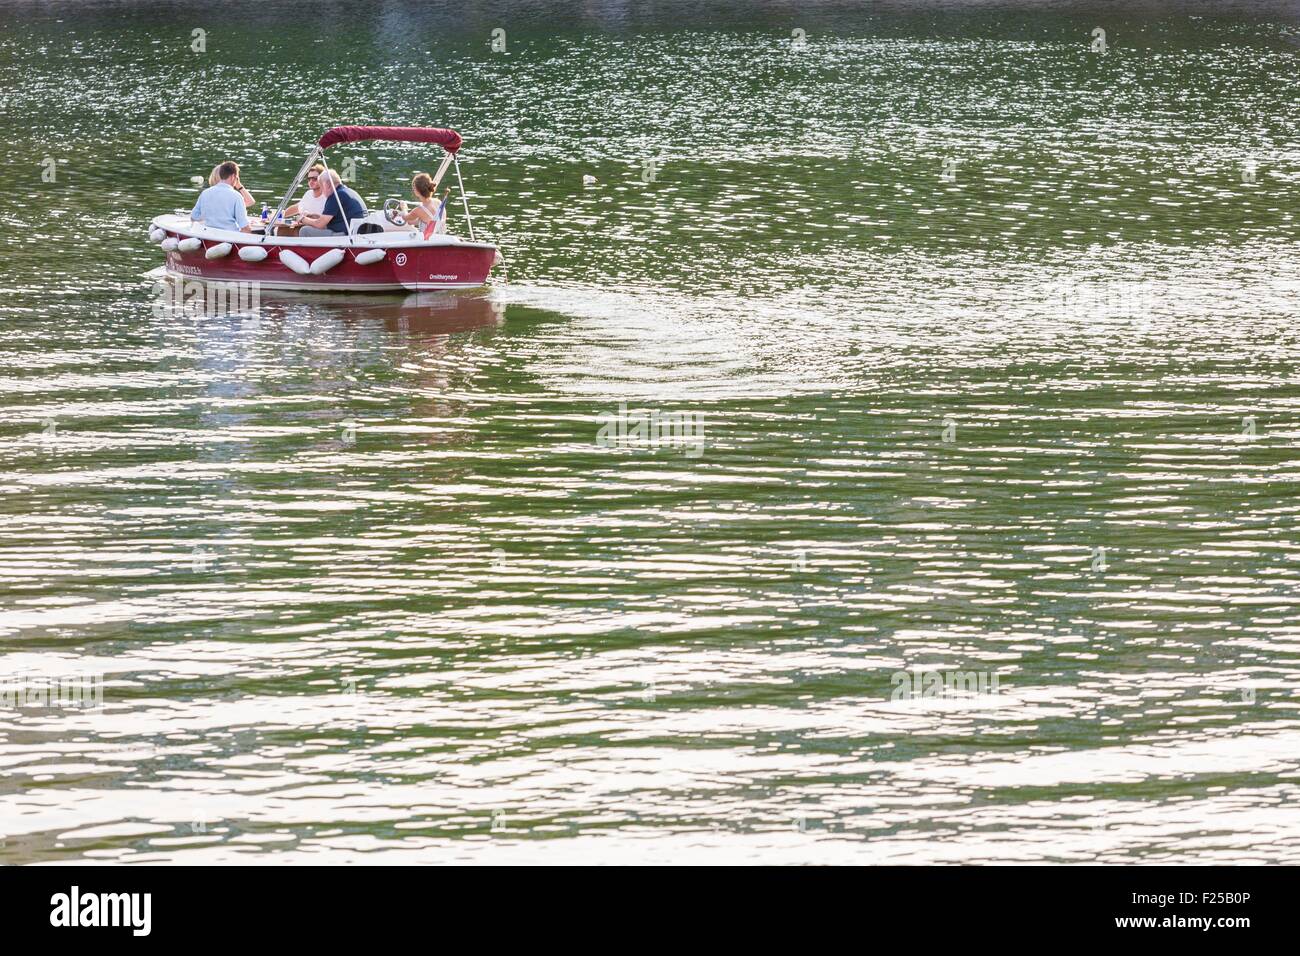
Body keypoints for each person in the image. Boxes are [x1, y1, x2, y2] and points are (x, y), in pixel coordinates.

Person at [298, 169, 367, 236]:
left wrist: (303, 219)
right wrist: (315, 217)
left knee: (304, 230)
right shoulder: (347, 191)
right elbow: (330, 220)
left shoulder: (336, 196)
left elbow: (320, 224)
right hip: (359, 232)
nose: (322, 190)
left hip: (347, 235)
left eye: (321, 186)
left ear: (328, 184)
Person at [191, 161, 253, 233]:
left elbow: (194, 217)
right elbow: (245, 227)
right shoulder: (236, 196)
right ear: (233, 177)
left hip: (208, 234)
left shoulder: (205, 193)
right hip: (229, 236)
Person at [399, 173, 450, 238]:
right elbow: (430, 221)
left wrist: (404, 208)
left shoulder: (419, 210)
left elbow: (405, 217)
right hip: (442, 238)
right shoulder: (438, 202)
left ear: (416, 191)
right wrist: (413, 222)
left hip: (429, 242)